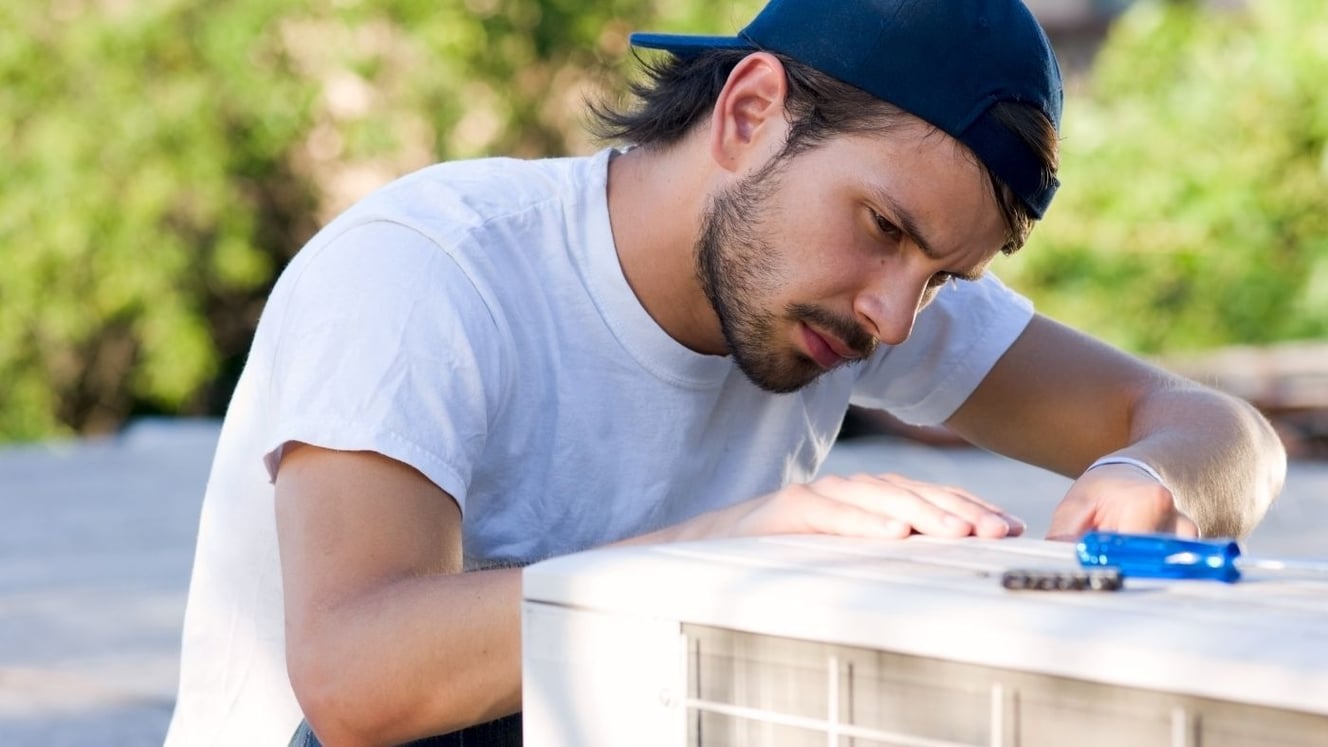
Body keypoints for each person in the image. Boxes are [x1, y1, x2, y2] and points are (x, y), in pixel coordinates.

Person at [164, 0, 1287, 744]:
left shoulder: (851, 294)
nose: (895, 316)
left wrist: (1156, 476)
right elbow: (356, 682)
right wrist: (734, 552)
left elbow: (1219, 431)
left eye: (944, 277)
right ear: (750, 113)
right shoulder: (428, 271)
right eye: (883, 228)